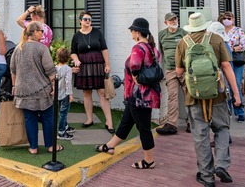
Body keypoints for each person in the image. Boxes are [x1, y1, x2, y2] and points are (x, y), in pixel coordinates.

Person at [176, 13, 242, 187]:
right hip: (217, 94)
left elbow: (179, 71)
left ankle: (207, 176)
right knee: (222, 128)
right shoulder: (217, 39)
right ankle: (221, 165)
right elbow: (227, 66)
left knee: (200, 135)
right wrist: (236, 94)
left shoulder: (183, 43)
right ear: (204, 25)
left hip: (194, 96)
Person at [95, 18, 161, 170]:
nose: (131, 34)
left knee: (143, 127)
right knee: (126, 121)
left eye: (132, 31)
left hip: (139, 96)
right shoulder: (153, 48)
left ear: (137, 33)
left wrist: (136, 79)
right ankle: (110, 146)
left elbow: (135, 66)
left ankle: (149, 160)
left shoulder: (138, 48)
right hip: (146, 94)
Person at [11, 22, 61, 154]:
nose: (43, 34)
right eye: (41, 31)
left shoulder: (18, 48)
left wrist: (14, 86)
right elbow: (50, 70)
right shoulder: (42, 48)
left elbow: (13, 70)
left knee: (29, 118)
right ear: (34, 32)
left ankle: (33, 147)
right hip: (41, 89)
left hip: (23, 90)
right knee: (48, 117)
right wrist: (55, 86)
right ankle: (51, 146)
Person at [70, 10, 114, 133]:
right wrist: (76, 59)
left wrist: (107, 64)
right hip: (84, 67)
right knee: (86, 93)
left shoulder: (97, 33)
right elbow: (73, 52)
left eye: (89, 19)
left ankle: (109, 122)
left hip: (97, 65)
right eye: (85, 19)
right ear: (80, 21)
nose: (88, 21)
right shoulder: (76, 36)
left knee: (102, 93)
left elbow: (104, 49)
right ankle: (89, 119)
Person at [157, 12, 188, 135]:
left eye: (175, 19)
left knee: (189, 95)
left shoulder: (183, 33)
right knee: (172, 96)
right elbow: (160, 53)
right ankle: (172, 123)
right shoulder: (161, 35)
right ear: (166, 23)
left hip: (184, 69)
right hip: (170, 70)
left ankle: (191, 121)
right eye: (171, 20)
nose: (174, 22)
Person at [219, 11, 245, 123]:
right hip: (224, 60)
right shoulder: (220, 31)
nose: (227, 19)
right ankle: (228, 110)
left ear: (233, 19)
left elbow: (244, 45)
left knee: (235, 83)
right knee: (225, 86)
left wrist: (232, 49)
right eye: (225, 18)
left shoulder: (238, 30)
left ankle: (240, 111)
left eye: (229, 18)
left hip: (236, 61)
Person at [56, 47, 75, 140]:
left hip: (57, 94)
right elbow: (68, 82)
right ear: (68, 58)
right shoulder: (68, 69)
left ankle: (66, 126)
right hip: (65, 95)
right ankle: (61, 132)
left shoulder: (55, 68)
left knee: (61, 112)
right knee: (63, 113)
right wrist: (70, 95)